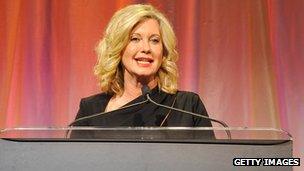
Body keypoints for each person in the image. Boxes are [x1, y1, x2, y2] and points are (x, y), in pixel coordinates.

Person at [70, 4, 214, 138]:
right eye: (135, 39)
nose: (146, 48)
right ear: (117, 48)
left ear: (163, 52)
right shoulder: (90, 111)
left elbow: (209, 162)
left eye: (155, 40)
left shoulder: (187, 107)